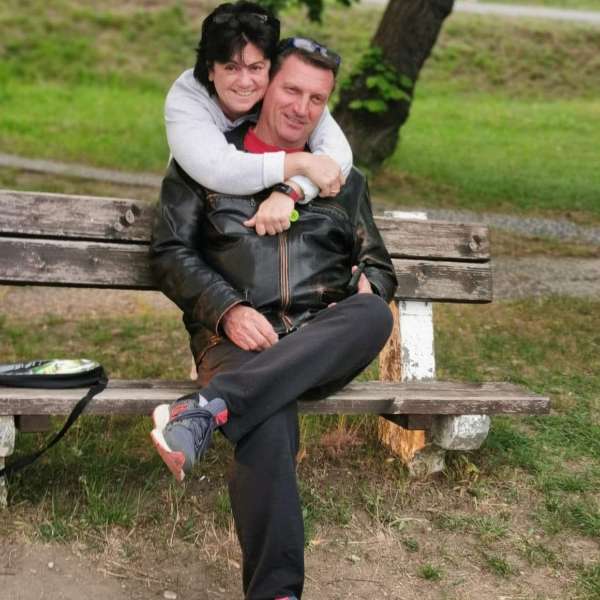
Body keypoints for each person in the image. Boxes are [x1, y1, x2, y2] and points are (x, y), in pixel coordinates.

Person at [150, 37, 397, 600]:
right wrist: (229, 310)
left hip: (319, 341)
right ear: (264, 88)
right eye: (291, 90)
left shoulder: (344, 179)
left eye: (317, 98)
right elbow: (169, 252)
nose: (301, 108)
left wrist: (370, 283)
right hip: (235, 340)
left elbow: (379, 264)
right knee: (267, 410)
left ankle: (209, 408)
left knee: (371, 315)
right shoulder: (207, 162)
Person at [165, 1, 353, 236]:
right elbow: (216, 169)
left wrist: (293, 189)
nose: (245, 82)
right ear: (211, 69)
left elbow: (338, 157)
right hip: (199, 217)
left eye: (255, 68)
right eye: (231, 67)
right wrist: (300, 163)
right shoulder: (188, 97)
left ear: (270, 68)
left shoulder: (286, 93)